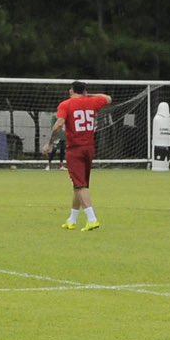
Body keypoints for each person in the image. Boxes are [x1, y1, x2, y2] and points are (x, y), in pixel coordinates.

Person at [48, 80, 112, 231]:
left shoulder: (66, 104)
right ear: (84, 91)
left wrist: (50, 142)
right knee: (79, 184)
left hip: (75, 149)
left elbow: (58, 125)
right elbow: (108, 98)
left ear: (71, 91)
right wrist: (89, 95)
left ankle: (92, 218)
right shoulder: (93, 102)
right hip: (89, 148)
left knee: (80, 185)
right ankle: (72, 219)